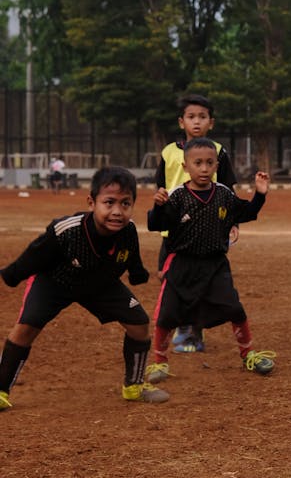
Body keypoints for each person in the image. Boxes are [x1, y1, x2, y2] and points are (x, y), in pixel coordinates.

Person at [0, 166, 167, 411]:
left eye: (125, 204)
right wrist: (12, 275)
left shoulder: (128, 230)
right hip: (56, 282)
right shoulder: (67, 229)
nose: (117, 212)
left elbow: (131, 255)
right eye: (109, 202)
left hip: (100, 284)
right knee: (25, 328)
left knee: (139, 325)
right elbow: (36, 254)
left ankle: (133, 386)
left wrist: (138, 273)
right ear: (92, 202)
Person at [144, 137, 275, 386]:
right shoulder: (176, 196)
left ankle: (249, 354)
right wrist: (159, 206)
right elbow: (155, 224)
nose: (204, 168)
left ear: (216, 166)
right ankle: (160, 362)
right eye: (198, 163)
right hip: (181, 265)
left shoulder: (223, 194)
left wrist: (260, 195)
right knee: (167, 315)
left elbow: (247, 213)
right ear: (185, 166)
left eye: (209, 163)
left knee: (235, 308)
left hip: (215, 265)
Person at [156, 93, 239, 353]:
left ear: (210, 123)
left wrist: (232, 222)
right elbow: (161, 186)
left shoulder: (218, 152)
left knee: (203, 280)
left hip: (207, 229)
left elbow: (229, 189)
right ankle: (180, 326)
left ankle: (194, 332)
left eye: (202, 117)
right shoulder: (169, 152)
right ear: (181, 122)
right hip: (174, 229)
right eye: (191, 117)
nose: (196, 122)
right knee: (170, 279)